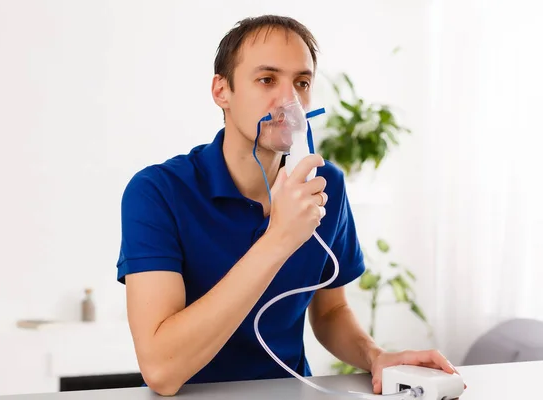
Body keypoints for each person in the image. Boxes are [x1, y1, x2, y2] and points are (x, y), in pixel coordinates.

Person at [116, 14, 463, 397]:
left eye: (301, 83)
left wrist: (375, 355)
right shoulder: (156, 192)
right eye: (267, 79)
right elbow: (161, 371)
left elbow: (330, 313)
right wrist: (278, 238)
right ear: (221, 91)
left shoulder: (323, 183)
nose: (289, 100)